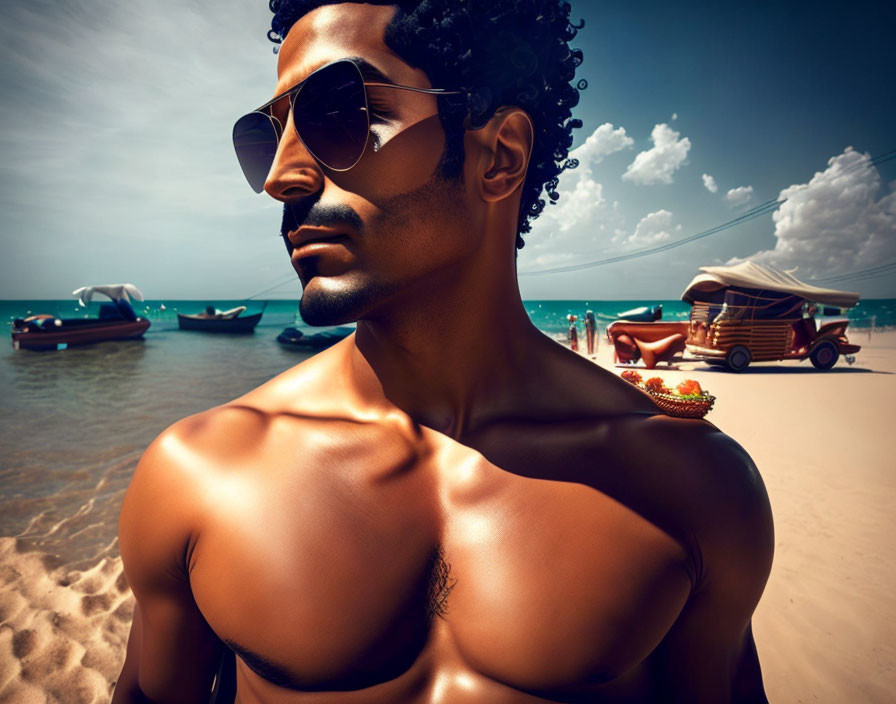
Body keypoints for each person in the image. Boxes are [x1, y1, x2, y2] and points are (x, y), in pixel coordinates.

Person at [113, 2, 774, 702]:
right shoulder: (199, 473)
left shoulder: (695, 487)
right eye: (266, 138)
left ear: (499, 157)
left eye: (340, 114)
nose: (281, 177)